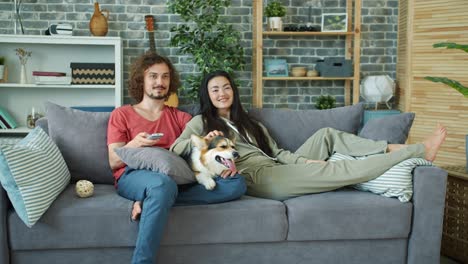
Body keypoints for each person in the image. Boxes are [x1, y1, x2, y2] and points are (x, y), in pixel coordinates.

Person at [170, 70, 447, 201]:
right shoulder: (201, 122)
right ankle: (419, 150)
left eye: (226, 87)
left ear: (234, 91)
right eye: (215, 89)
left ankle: (389, 148)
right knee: (340, 169)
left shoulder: (250, 123)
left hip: (278, 165)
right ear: (207, 95)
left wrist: (304, 163)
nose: (222, 93)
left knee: (326, 134)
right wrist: (205, 142)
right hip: (259, 177)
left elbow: (278, 154)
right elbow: (176, 148)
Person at [107, 55, 246, 264]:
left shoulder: (181, 118)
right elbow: (114, 162)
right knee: (161, 185)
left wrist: (221, 161)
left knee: (236, 184)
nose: (159, 82)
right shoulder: (122, 114)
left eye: (165, 76)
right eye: (153, 76)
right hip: (134, 176)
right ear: (141, 80)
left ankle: (153, 201)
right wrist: (135, 144)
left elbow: (201, 154)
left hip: (176, 179)